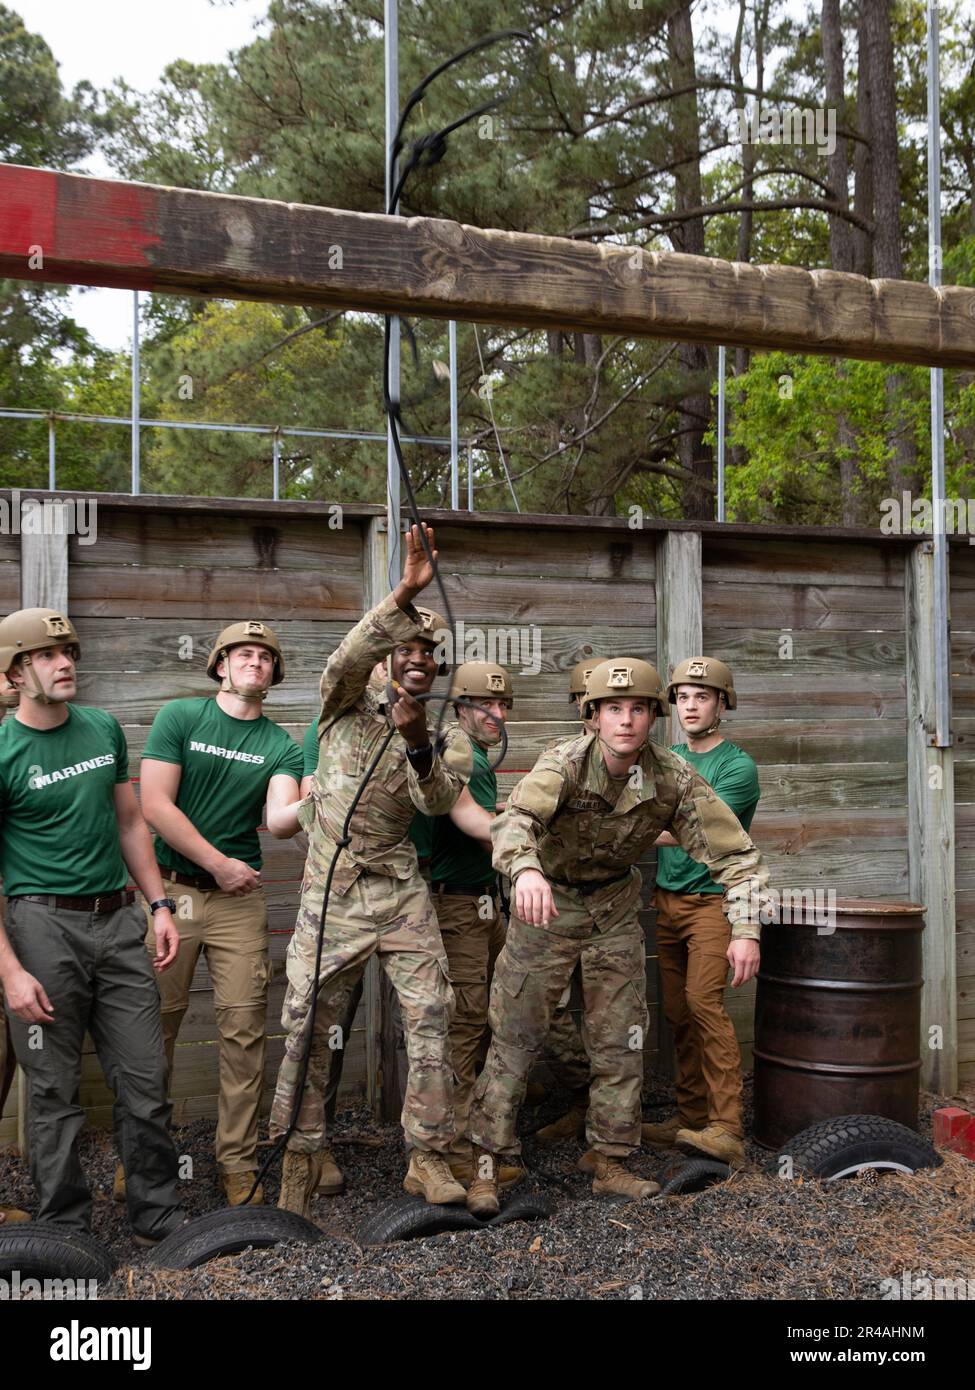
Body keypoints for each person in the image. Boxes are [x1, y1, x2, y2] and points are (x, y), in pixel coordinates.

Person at [466, 657, 770, 1215]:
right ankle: (488, 1162)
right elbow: (514, 821)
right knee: (515, 1036)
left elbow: (739, 858)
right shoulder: (564, 762)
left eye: (637, 709)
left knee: (621, 1040)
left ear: (654, 717)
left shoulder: (672, 776)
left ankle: (609, 1162)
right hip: (548, 905)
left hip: (613, 909)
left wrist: (746, 929)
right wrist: (526, 870)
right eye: (612, 709)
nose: (625, 720)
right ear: (593, 715)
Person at [270, 523, 476, 1216]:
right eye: (405, 648)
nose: (416, 659)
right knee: (309, 1028)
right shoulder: (339, 709)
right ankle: (301, 1165)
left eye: (427, 652)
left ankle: (427, 1157)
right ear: (389, 659)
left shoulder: (446, 738)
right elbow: (344, 658)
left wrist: (418, 741)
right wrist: (405, 592)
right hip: (331, 897)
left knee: (430, 1016)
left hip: (399, 893)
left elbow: (437, 799)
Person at [0, 608, 186, 1243]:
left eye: (69, 651)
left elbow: (131, 822)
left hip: (117, 920)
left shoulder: (103, 728)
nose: (65, 663)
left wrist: (159, 905)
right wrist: (12, 973)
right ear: (16, 672)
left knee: (146, 1077)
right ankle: (64, 1230)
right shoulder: (2, 752)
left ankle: (157, 1219)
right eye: (48, 655)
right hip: (40, 928)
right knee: (51, 1091)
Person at [137, 620, 304, 1207]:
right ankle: (146, 1161)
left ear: (273, 674)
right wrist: (218, 862)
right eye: (243, 653)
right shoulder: (180, 717)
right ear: (220, 664)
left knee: (243, 1029)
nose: (254, 662)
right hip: (172, 894)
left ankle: (237, 1162)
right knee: (155, 1026)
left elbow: (281, 814)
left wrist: (315, 797)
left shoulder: (283, 744)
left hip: (238, 904)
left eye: (265, 656)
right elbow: (153, 805)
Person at [644, 657, 760, 1169]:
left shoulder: (737, 766)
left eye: (702, 696)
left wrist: (630, 831)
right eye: (683, 697)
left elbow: (702, 831)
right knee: (677, 1011)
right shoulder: (665, 757)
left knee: (704, 1004)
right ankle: (690, 1118)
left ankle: (727, 1127)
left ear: (722, 703)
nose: (690, 706)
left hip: (713, 901)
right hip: (666, 900)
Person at [423, 661, 521, 1188]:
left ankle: (481, 1136)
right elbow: (479, 831)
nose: (498, 716)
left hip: (482, 902)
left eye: (504, 706)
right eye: (488, 706)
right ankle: (456, 1148)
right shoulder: (460, 753)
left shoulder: (470, 755)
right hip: (458, 905)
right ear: (461, 708)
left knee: (495, 1014)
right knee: (465, 1024)